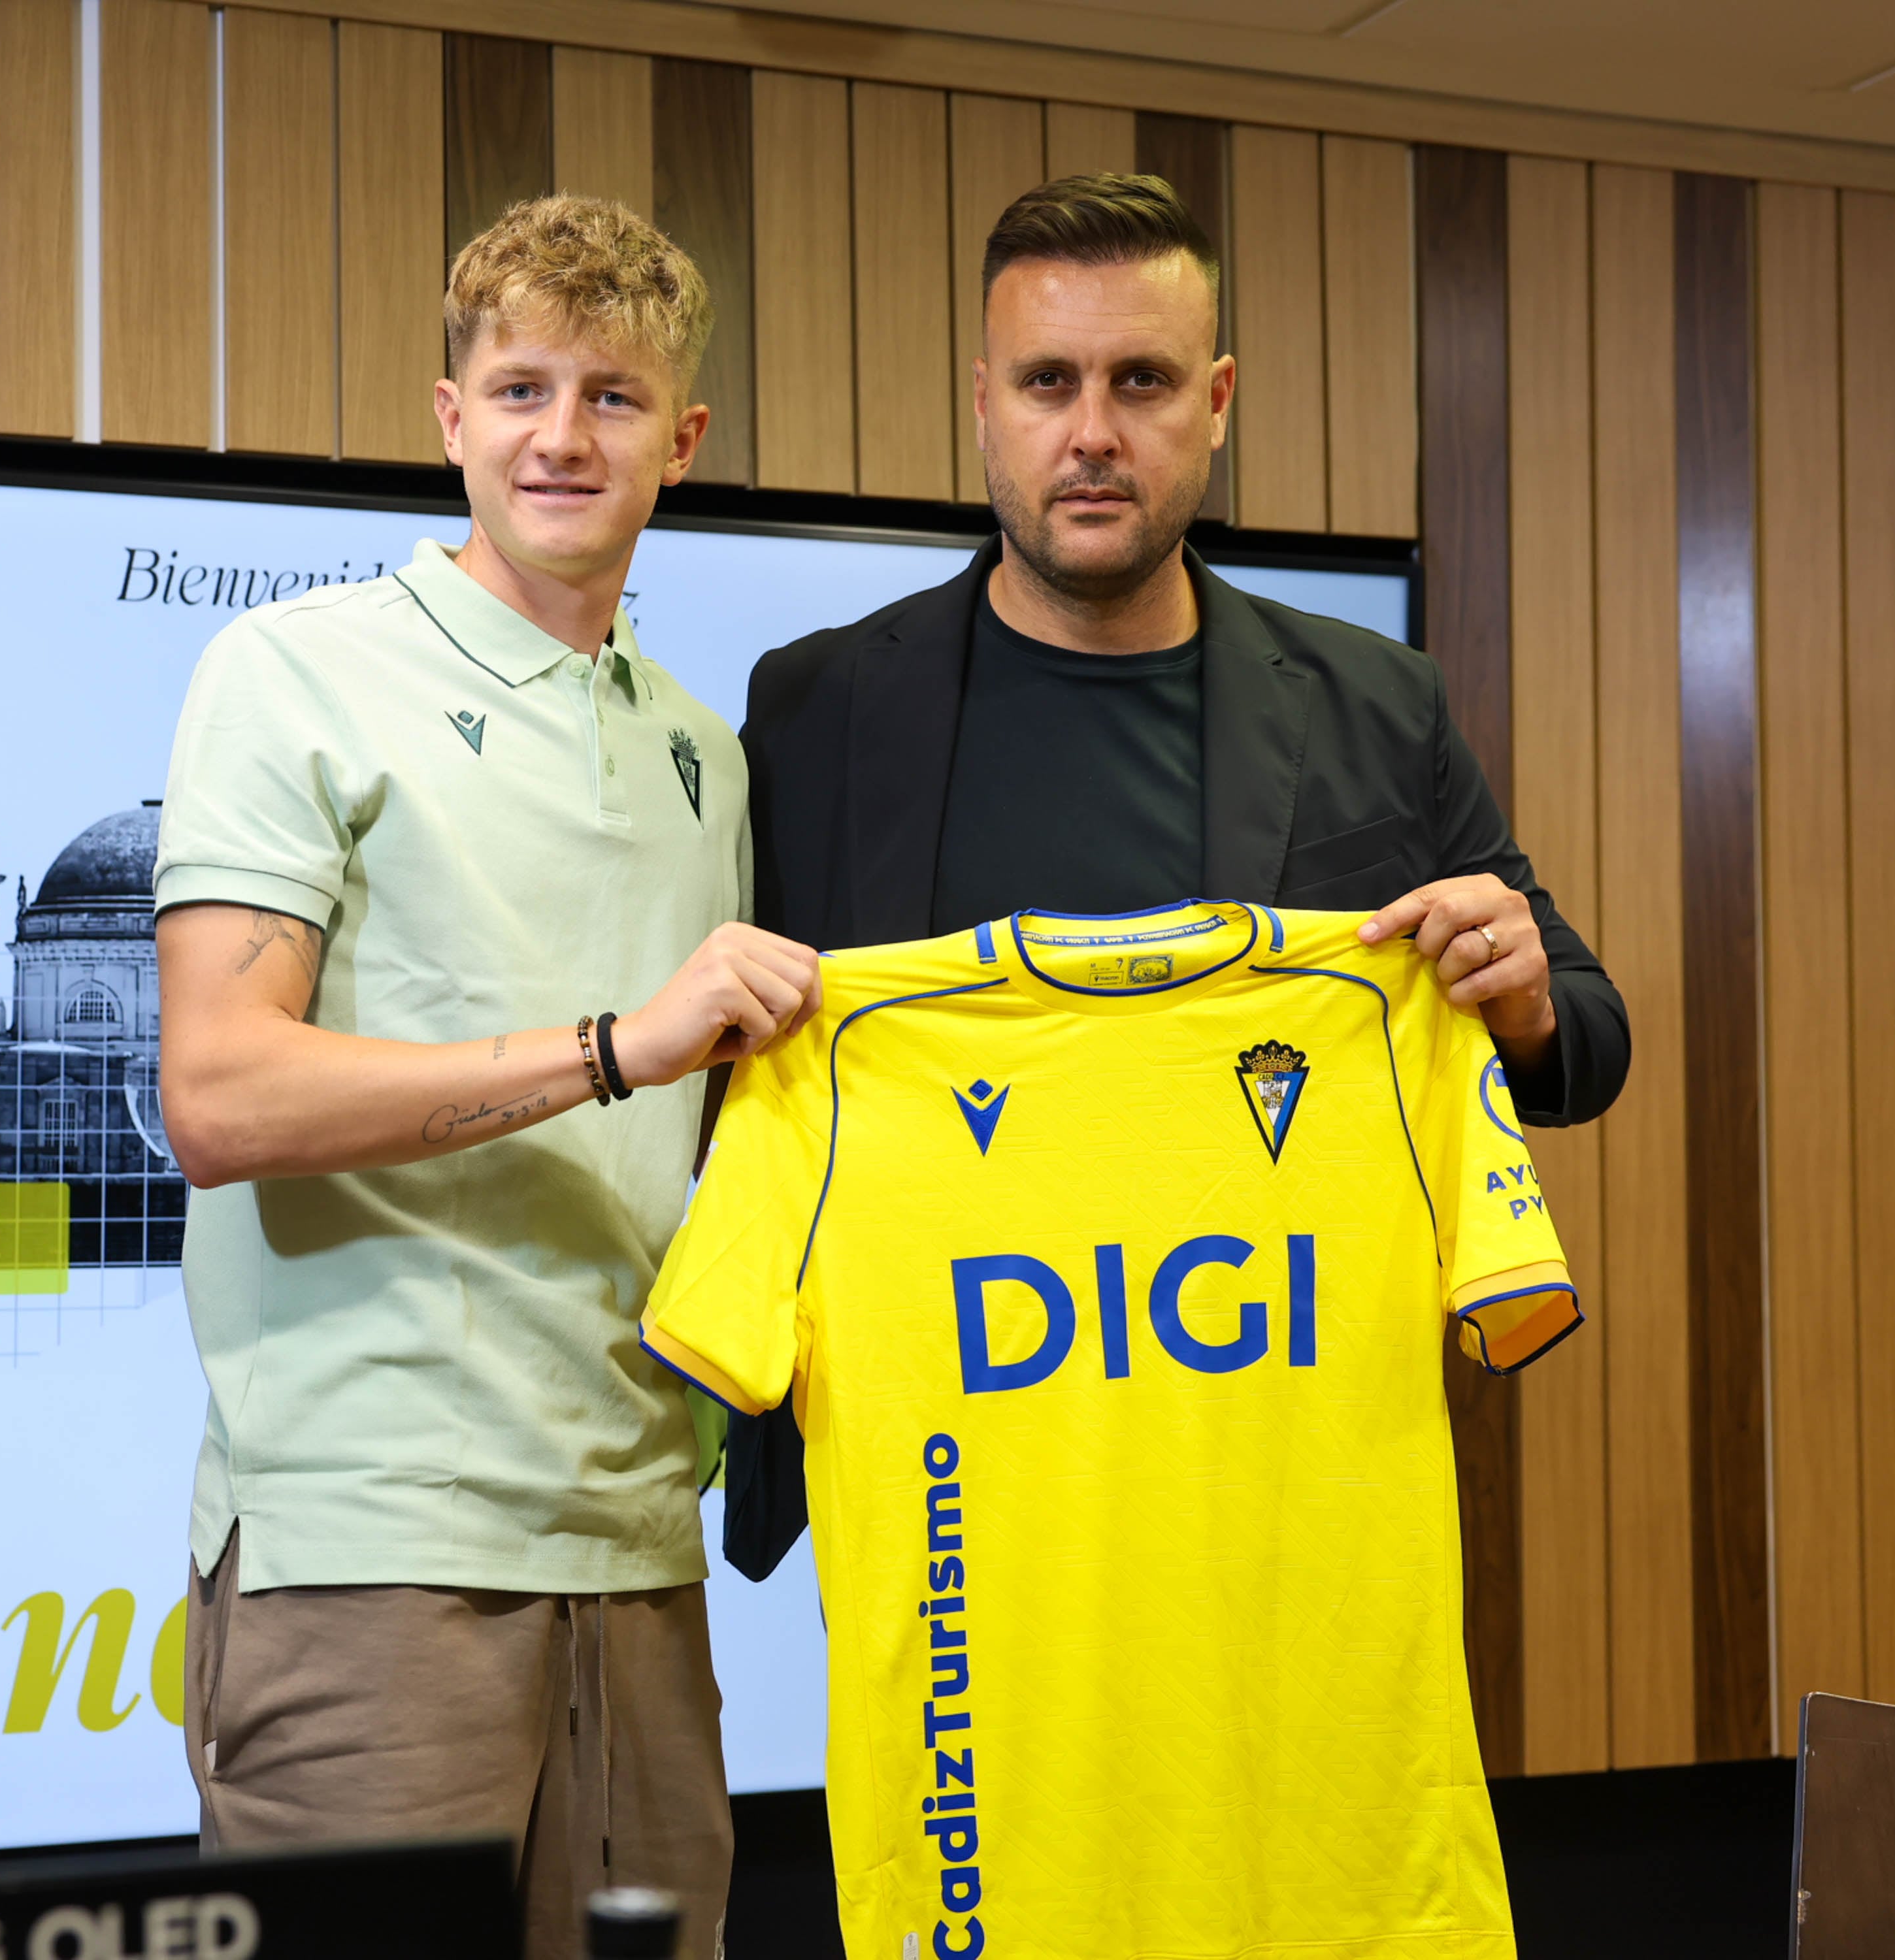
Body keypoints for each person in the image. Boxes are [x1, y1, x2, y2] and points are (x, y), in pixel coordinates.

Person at [724, 172, 1630, 1575]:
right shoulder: (818, 707)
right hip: (939, 1476)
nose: (1091, 434)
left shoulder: (1373, 705)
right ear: (984, 403)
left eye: (1141, 382)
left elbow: (1586, 1030)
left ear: (1214, 402)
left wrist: (1518, 998)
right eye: (1048, 382)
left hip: (1265, 1457)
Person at [152, 195, 818, 1959]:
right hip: (369, 1552)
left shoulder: (699, 750)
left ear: (678, 442)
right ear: (449, 417)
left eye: (610, 396)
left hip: (636, 1545)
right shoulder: (289, 669)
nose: (559, 435)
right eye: (518, 387)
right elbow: (218, 1099)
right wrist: (614, 1049)